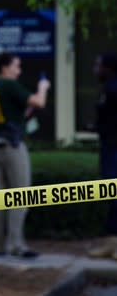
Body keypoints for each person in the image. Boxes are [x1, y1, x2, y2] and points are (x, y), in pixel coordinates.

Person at [0, 51, 50, 258]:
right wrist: (42, 88)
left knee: (0, 197)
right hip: (12, 145)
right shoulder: (8, 85)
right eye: (16, 66)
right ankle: (16, 245)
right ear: (4, 68)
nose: (19, 71)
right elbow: (39, 102)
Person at [88, 52, 117, 260]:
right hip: (108, 147)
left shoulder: (114, 89)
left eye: (98, 65)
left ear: (108, 68)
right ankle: (111, 243)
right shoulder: (107, 89)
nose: (95, 69)